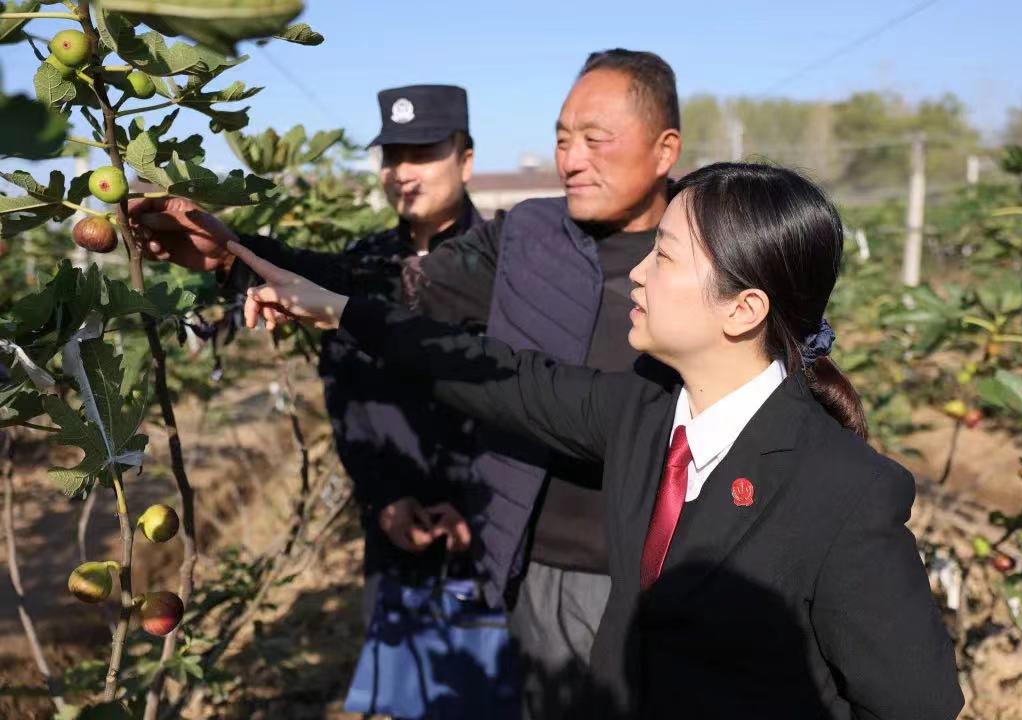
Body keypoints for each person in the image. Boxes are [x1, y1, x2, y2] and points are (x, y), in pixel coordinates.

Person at [231, 161, 965, 719]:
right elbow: (504, 376)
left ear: (743, 308)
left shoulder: (842, 493)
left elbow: (915, 705)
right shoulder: (646, 414)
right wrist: (337, 310)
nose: (637, 273)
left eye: (666, 256)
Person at [130, 49, 682, 718]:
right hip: (535, 565)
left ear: (665, 149)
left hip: (669, 567)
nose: (570, 159)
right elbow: (383, 288)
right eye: (562, 139)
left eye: (594, 139)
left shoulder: (716, 241)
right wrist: (239, 257)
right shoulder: (529, 238)